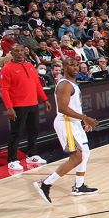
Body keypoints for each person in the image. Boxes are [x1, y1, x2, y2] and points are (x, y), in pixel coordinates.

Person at [33, 58, 98, 203]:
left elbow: (74, 107)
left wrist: (82, 120)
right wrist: (85, 118)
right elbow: (63, 109)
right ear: (65, 67)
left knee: (85, 153)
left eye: (77, 65)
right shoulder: (65, 85)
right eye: (71, 65)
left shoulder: (73, 83)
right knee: (76, 157)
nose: (75, 67)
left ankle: (79, 186)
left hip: (74, 123)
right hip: (66, 123)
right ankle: (45, 183)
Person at [0, 43, 51, 171]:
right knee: (16, 133)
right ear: (11, 52)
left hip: (33, 103)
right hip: (17, 106)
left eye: (22, 50)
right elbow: (4, 90)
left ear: (25, 51)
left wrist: (44, 99)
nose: (20, 53)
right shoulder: (6, 69)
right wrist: (9, 108)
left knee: (34, 130)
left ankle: (32, 155)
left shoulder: (30, 66)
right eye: (16, 51)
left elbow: (37, 84)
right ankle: (12, 160)